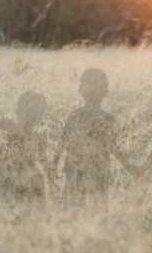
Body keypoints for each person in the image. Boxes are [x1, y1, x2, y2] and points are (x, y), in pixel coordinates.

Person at [53, 67, 134, 199]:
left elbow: (62, 143)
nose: (93, 90)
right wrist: (131, 168)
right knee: (94, 208)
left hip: (80, 170)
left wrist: (54, 164)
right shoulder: (105, 118)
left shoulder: (75, 116)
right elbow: (113, 147)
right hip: (93, 170)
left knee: (77, 208)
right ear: (105, 91)